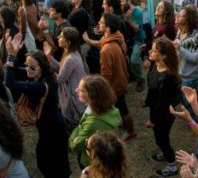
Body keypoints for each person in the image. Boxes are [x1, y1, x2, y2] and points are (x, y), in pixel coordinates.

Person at [4, 37, 67, 178]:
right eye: (27, 65)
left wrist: (10, 56)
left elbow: (9, 82)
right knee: (55, 161)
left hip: (52, 129)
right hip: (51, 126)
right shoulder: (44, 76)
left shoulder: (39, 86)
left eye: (32, 67)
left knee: (49, 163)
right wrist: (13, 54)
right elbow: (17, 69)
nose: (28, 70)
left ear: (42, 68)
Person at [95, 12, 135, 141]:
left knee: (123, 108)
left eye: (101, 22)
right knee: (121, 106)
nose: (98, 24)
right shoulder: (117, 38)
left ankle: (130, 132)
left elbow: (106, 73)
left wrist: (102, 89)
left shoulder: (106, 49)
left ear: (107, 28)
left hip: (114, 85)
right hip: (121, 80)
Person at [146, 37, 182, 177]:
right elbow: (151, 89)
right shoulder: (155, 65)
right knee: (160, 137)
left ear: (164, 56)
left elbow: (162, 105)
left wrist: (153, 121)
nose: (150, 52)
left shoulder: (167, 78)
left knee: (161, 138)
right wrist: (147, 101)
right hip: (155, 110)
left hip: (163, 115)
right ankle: (163, 152)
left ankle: (172, 166)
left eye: (154, 51)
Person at [69, 75, 122, 169]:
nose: (76, 90)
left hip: (91, 162)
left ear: (92, 95)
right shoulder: (110, 109)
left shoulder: (92, 123)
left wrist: (77, 130)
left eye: (81, 90)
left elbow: (75, 147)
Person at [46, 26, 87, 130]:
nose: (58, 38)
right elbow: (62, 67)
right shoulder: (72, 53)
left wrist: (45, 69)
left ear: (68, 42)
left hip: (72, 98)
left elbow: (59, 79)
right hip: (74, 95)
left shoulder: (70, 58)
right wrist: (49, 58)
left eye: (61, 36)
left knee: (72, 128)